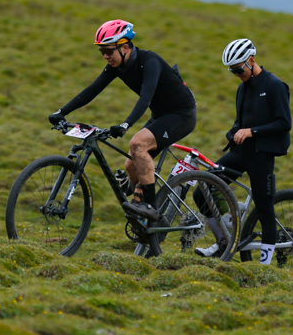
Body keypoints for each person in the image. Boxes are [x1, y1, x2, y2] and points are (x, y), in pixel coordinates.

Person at [49, 20, 196, 221]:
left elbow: (146, 98)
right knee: (130, 165)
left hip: (182, 114)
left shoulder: (149, 61)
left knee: (137, 144)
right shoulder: (116, 66)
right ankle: (143, 213)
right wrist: (62, 112)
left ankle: (151, 208)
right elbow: (93, 90)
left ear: (125, 47)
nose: (106, 56)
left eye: (109, 51)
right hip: (161, 114)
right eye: (102, 52)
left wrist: (126, 124)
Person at [198, 38, 291, 264]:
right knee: (202, 191)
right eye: (232, 71)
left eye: (239, 69)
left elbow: (284, 123)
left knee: (264, 210)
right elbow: (240, 122)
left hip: (262, 155)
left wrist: (252, 132)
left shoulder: (274, 85)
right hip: (241, 153)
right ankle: (223, 242)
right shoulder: (242, 88)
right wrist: (233, 133)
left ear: (251, 60)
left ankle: (264, 265)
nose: (237, 74)